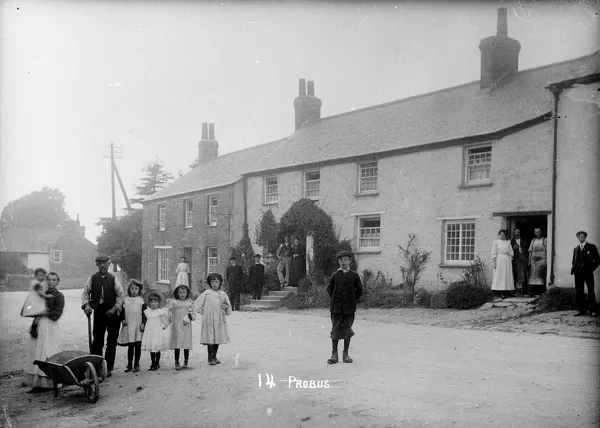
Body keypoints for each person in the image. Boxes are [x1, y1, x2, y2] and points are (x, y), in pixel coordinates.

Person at [81, 255, 124, 378]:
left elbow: (121, 296)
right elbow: (85, 294)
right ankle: (96, 367)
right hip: (99, 312)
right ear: (97, 265)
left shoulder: (113, 279)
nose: (102, 266)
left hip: (113, 314)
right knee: (97, 342)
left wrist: (114, 308)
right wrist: (87, 306)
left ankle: (108, 368)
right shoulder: (92, 279)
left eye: (104, 263)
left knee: (111, 342)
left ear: (109, 263)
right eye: (99, 263)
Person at [24, 272, 65, 392]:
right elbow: (33, 308)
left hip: (51, 326)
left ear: (57, 282)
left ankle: (50, 382)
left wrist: (45, 312)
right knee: (38, 350)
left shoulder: (59, 296)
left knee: (48, 351)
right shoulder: (43, 294)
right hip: (41, 324)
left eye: (54, 280)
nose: (51, 282)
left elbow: (57, 314)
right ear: (46, 281)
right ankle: (38, 382)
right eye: (49, 280)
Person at [326, 250, 363, 365]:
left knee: (347, 329)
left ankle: (345, 354)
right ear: (338, 262)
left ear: (350, 261)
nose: (343, 262)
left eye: (345, 259)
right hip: (336, 309)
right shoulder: (335, 275)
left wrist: (351, 300)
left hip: (349, 309)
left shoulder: (354, 276)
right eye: (341, 260)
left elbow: (359, 291)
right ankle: (334, 354)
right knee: (335, 329)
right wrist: (336, 300)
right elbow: (329, 290)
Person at [194, 273, 232, 366]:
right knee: (210, 338)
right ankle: (209, 357)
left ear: (220, 283)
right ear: (209, 283)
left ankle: (215, 356)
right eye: (213, 282)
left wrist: (225, 306)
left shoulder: (222, 294)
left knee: (217, 338)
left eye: (217, 281)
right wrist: (203, 311)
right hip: (209, 319)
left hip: (218, 319)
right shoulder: (207, 293)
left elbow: (227, 305)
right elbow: (198, 304)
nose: (215, 284)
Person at [117, 279, 146, 373]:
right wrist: (123, 319)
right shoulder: (126, 300)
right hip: (129, 325)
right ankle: (129, 364)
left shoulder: (141, 301)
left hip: (138, 326)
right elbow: (121, 311)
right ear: (129, 289)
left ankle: (136, 364)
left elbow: (145, 313)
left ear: (139, 290)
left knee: (137, 345)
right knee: (130, 346)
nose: (134, 290)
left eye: (136, 288)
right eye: (132, 288)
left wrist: (143, 323)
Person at [571, 231, 600, 317]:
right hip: (578, 273)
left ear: (585, 237)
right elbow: (573, 261)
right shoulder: (576, 249)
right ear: (577, 238)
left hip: (588, 273)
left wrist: (592, 268)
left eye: (582, 237)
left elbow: (598, 260)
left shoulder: (591, 247)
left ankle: (593, 310)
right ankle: (581, 310)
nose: (581, 238)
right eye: (579, 237)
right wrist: (574, 269)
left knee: (591, 291)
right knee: (579, 292)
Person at [141, 289, 171, 371]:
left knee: (157, 348)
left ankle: (157, 363)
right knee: (152, 348)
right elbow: (145, 320)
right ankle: (152, 363)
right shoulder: (147, 311)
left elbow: (166, 322)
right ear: (149, 303)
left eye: (155, 302)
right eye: (151, 302)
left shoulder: (160, 312)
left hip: (157, 332)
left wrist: (164, 327)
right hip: (150, 332)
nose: (153, 303)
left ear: (158, 303)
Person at [168, 284, 196, 370]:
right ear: (177, 293)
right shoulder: (174, 302)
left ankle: (186, 361)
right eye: (180, 292)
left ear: (187, 293)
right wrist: (170, 320)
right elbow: (169, 313)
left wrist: (191, 316)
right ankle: (176, 361)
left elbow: (194, 314)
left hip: (186, 326)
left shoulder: (189, 303)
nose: (182, 294)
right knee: (177, 343)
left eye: (184, 292)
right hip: (177, 326)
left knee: (186, 343)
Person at [25, 268, 49, 339]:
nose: (42, 277)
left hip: (38, 301)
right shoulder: (35, 283)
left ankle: (37, 327)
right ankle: (33, 328)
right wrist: (47, 296)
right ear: (35, 276)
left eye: (44, 276)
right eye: (40, 275)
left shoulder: (41, 283)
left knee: (41, 314)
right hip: (35, 301)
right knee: (40, 313)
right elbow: (40, 293)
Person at [491, 229, 515, 299]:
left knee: (506, 276)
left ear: (505, 235)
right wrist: (495, 262)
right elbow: (493, 253)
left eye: (503, 234)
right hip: (499, 260)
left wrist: (509, 257)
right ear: (499, 235)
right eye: (501, 234)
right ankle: (500, 292)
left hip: (507, 261)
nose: (502, 236)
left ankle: (507, 292)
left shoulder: (508, 242)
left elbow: (511, 252)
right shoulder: (496, 242)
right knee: (500, 275)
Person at [528, 228, 548, 295]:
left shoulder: (544, 240)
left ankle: (540, 292)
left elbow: (547, 251)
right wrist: (529, 261)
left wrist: (546, 262)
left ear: (541, 232)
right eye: (536, 232)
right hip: (533, 261)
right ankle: (532, 291)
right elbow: (530, 251)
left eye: (539, 232)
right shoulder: (533, 240)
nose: (537, 233)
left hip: (541, 261)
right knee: (533, 276)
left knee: (540, 276)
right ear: (534, 233)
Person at [510, 229, 530, 296]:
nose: (517, 233)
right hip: (517, 258)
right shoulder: (511, 241)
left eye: (518, 232)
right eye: (516, 232)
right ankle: (520, 291)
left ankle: (527, 290)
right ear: (514, 233)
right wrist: (513, 248)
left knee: (526, 273)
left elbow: (528, 248)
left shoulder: (524, 240)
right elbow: (509, 250)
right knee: (520, 274)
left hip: (524, 258)